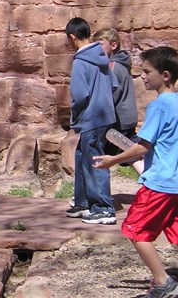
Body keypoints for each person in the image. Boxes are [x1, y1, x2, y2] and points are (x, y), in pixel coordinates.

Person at [94, 46, 178, 298]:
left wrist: (112, 160)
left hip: (160, 185)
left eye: (147, 72)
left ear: (165, 75)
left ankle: (164, 283)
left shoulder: (160, 105)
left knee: (136, 230)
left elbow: (140, 147)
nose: (143, 77)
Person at [64, 18, 118, 225]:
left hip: (91, 118)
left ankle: (103, 208)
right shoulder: (101, 57)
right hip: (104, 116)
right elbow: (113, 86)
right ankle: (83, 202)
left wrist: (76, 115)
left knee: (95, 161)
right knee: (82, 157)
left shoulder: (81, 60)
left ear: (72, 37)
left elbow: (79, 94)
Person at [93, 27, 143, 175]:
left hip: (119, 121)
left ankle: (153, 183)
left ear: (113, 45)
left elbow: (111, 95)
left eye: (100, 44)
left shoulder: (112, 67)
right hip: (126, 118)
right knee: (131, 152)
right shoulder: (122, 64)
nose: (97, 48)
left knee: (126, 154)